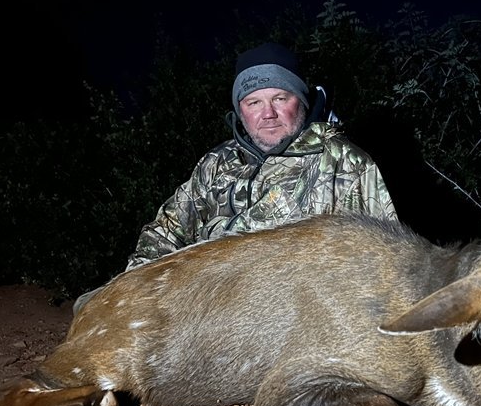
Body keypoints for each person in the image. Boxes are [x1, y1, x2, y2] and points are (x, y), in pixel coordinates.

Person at [73, 42, 397, 313]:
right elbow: (167, 230)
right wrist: (134, 288)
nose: (267, 113)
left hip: (288, 322)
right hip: (194, 305)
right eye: (253, 102)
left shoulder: (345, 164)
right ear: (241, 110)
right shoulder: (217, 162)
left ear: (302, 100)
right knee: (91, 306)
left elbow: (385, 265)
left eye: (280, 98)